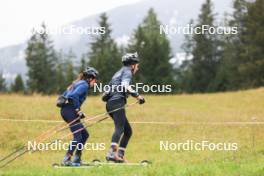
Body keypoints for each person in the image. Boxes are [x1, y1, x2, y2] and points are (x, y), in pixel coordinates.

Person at [105, 52, 145, 163]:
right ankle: (112, 153)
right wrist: (138, 96)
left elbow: (106, 93)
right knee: (120, 128)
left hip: (110, 103)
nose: (138, 67)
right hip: (117, 102)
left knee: (128, 131)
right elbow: (125, 86)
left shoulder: (118, 73)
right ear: (132, 65)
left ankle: (120, 155)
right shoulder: (127, 72)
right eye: (137, 64)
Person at [60, 67, 99, 166]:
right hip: (70, 111)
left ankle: (77, 158)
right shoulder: (84, 85)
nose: (96, 82)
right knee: (78, 136)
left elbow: (66, 95)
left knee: (85, 134)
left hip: (67, 110)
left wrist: (78, 111)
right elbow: (74, 96)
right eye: (95, 80)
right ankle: (66, 159)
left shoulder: (78, 83)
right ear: (90, 78)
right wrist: (78, 110)